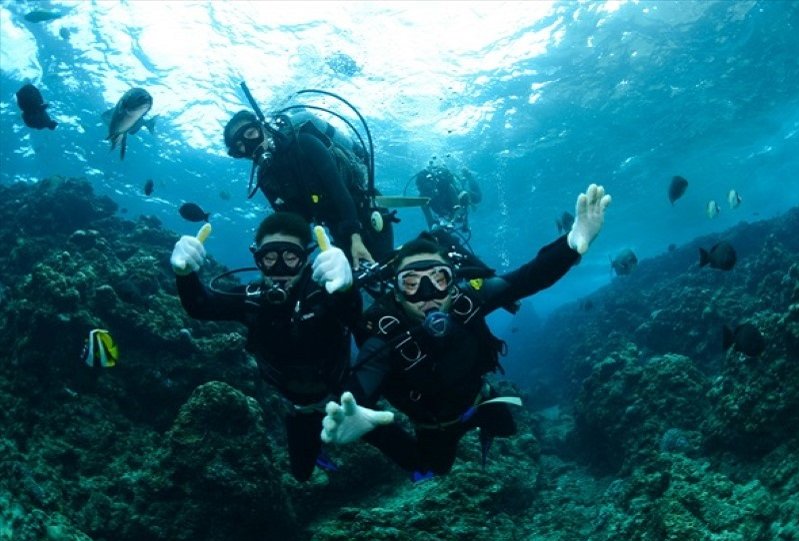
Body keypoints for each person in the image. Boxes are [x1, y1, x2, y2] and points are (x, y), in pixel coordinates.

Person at [321, 184, 612, 479]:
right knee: (431, 470)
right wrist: (365, 423)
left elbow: (528, 278)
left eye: (438, 279)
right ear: (396, 293)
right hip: (435, 427)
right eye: (411, 283)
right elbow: (357, 392)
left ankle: (484, 421)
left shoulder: (467, 300)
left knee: (508, 429)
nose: (426, 294)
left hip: (479, 400)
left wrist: (572, 242)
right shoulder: (386, 331)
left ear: (453, 282)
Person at [169, 211, 413, 481]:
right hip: (297, 408)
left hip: (346, 398)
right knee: (300, 475)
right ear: (258, 259)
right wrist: (185, 275)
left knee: (417, 461)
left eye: (290, 257)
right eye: (270, 258)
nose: (281, 269)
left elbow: (352, 313)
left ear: (306, 259)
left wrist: (346, 288)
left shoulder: (325, 290)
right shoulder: (253, 300)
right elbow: (200, 306)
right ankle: (318, 451)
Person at [224, 109, 393, 269]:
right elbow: (293, 223)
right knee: (356, 277)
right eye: (239, 146)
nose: (248, 146)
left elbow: (339, 190)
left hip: (365, 210)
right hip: (336, 225)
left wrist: (355, 237)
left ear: (263, 127)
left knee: (384, 268)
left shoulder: (304, 143)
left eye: (251, 133)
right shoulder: (265, 176)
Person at [414, 162, 482, 232]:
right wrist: (436, 230)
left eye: (429, 187)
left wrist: (455, 222)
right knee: (457, 220)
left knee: (478, 198)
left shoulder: (446, 185)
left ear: (434, 183)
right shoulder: (423, 199)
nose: (429, 192)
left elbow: (457, 206)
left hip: (459, 198)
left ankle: (468, 176)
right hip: (447, 212)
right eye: (425, 190)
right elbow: (430, 222)